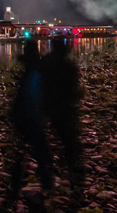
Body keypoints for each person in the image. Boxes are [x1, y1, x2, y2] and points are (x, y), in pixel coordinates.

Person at [7, 41, 54, 198]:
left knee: (22, 152)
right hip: (32, 117)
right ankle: (46, 182)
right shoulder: (37, 70)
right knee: (40, 151)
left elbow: (23, 94)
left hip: (25, 116)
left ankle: (15, 184)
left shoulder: (29, 70)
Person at [42, 38, 84, 190]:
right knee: (69, 138)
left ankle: (49, 172)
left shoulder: (46, 62)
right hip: (65, 106)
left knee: (47, 138)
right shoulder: (69, 65)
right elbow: (74, 86)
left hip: (50, 105)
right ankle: (73, 168)